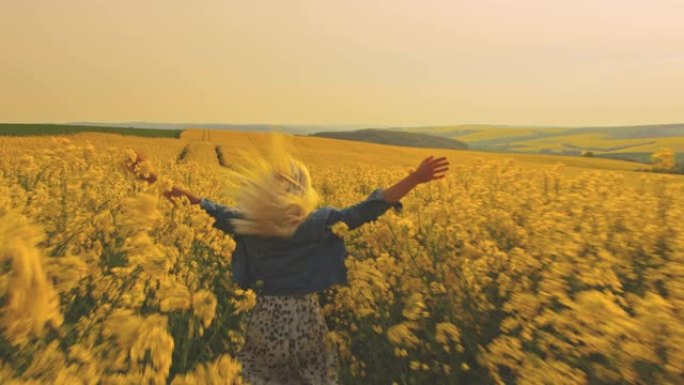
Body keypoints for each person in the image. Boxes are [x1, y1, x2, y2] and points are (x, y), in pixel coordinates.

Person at [126, 140, 449, 385]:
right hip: (304, 315)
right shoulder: (318, 222)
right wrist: (415, 179)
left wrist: (150, 177)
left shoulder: (246, 222)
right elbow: (366, 209)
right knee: (313, 372)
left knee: (260, 373)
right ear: (303, 189)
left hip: (263, 315)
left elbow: (197, 203)